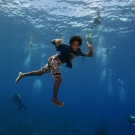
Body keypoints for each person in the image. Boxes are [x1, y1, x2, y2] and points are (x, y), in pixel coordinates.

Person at [15, 36, 94, 107]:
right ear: (71, 44)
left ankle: (22, 74)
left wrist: (91, 50)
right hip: (53, 60)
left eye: (77, 45)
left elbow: (89, 55)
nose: (75, 46)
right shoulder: (65, 47)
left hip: (55, 62)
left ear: (79, 45)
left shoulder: (78, 52)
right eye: (74, 44)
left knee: (39, 73)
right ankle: (54, 99)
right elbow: (53, 43)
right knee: (59, 79)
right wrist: (56, 41)